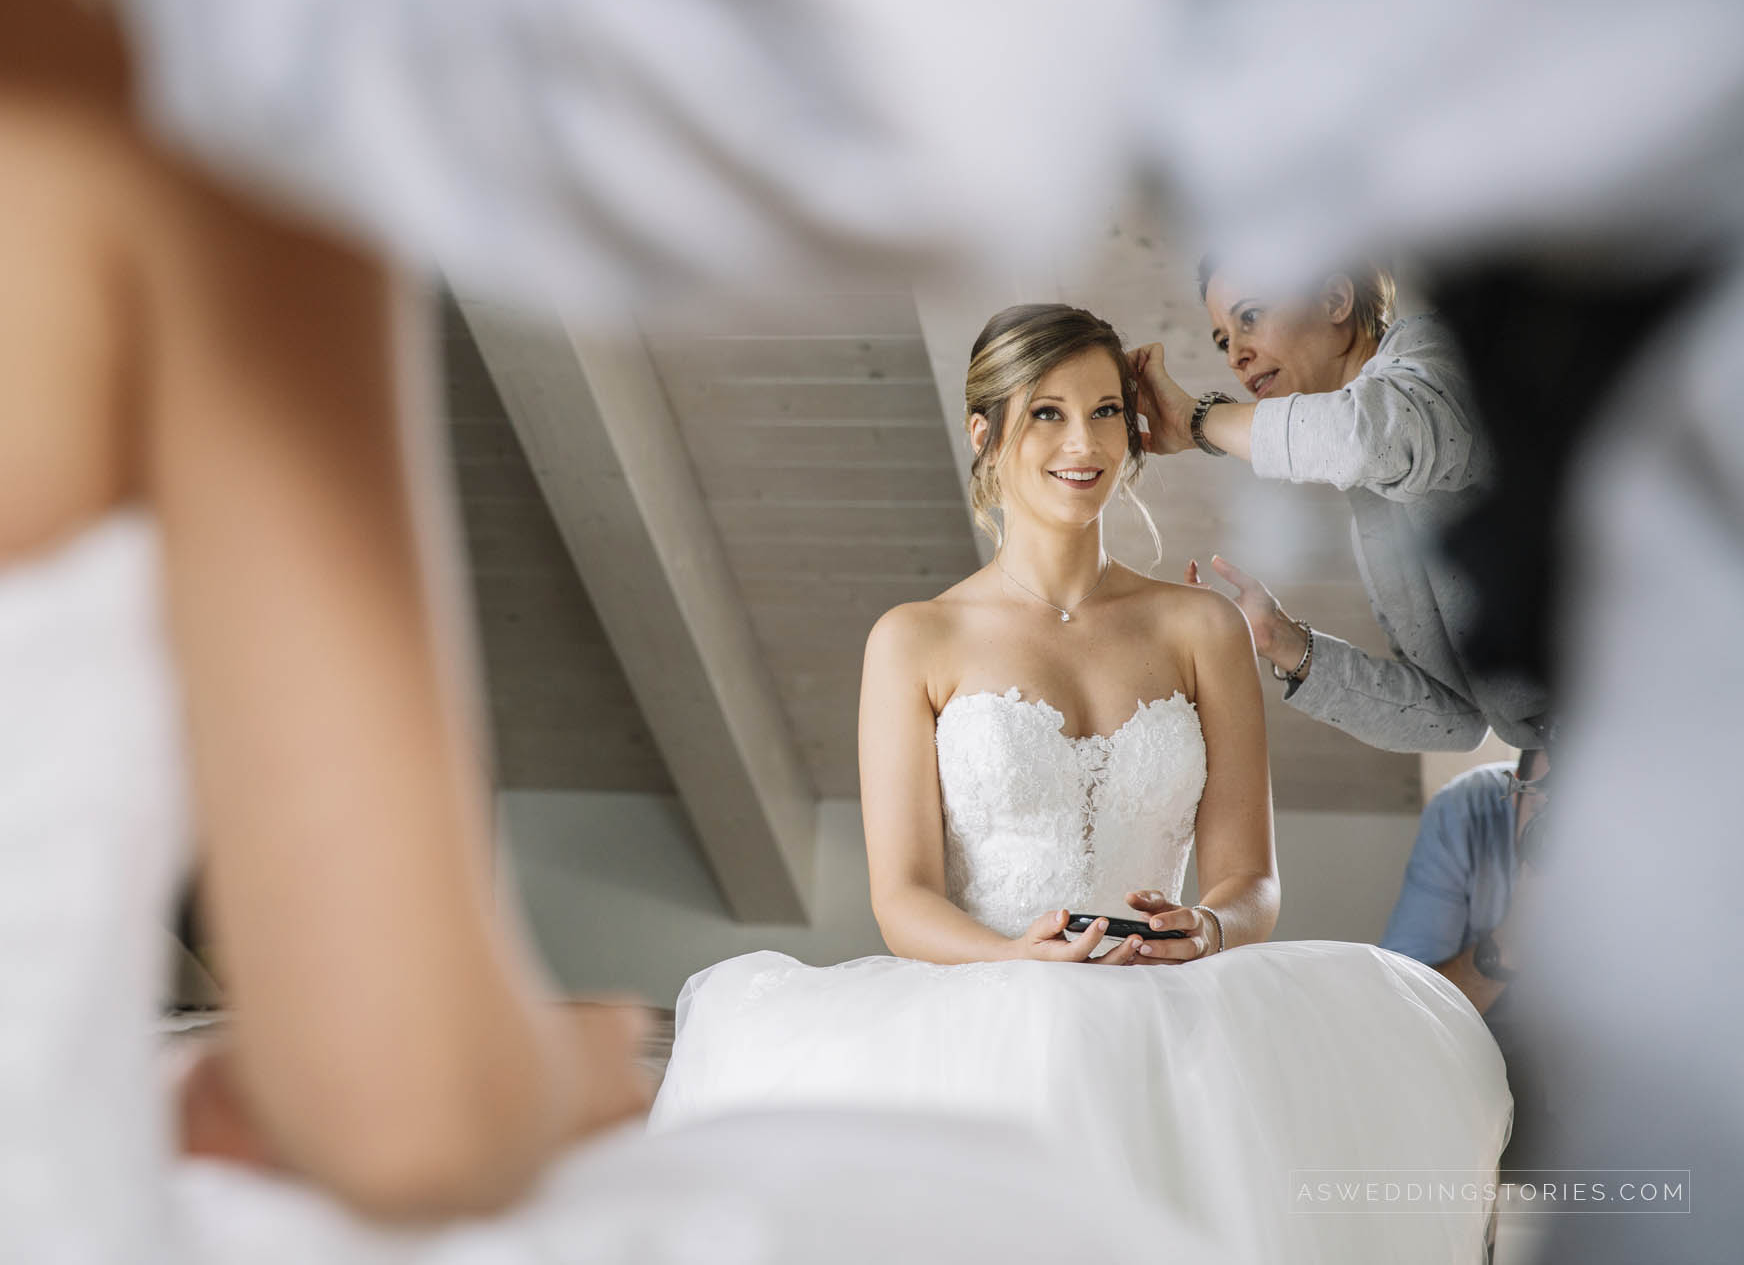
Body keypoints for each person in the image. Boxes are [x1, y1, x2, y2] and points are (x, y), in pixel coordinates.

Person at [0, 0, 1158, 1261]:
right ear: (992, 438)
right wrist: (535, 1061)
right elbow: (399, 1104)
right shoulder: (160, 98)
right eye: (1048, 415)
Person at [652, 304, 1512, 1263]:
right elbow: (902, 899)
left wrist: (1212, 926)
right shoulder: (913, 640)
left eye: (1107, 411)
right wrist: (1014, 959)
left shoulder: (1201, 628)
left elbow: (1251, 879)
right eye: (1048, 413)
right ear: (986, 434)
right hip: (982, 1021)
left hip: (1170, 1024)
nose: (1085, 442)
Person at [1131, 260, 1552, 752]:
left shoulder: (1441, 355)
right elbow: (1456, 715)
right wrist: (1280, 641)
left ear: (1335, 300)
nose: (1235, 357)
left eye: (1250, 316)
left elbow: (1367, 437)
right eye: (1224, 339)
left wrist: (1197, 422)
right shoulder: (1371, 511)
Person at [1378, 751, 1559, 1170]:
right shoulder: (1467, 811)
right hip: (1474, 1051)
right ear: (1514, 792)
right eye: (1547, 809)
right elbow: (1403, 1017)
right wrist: (1511, 942)